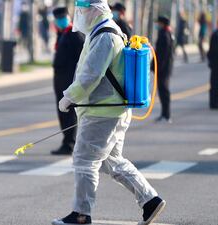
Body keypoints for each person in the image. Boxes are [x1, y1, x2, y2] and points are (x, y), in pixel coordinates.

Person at [53, 1, 166, 224]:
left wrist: (69, 97)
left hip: (103, 113)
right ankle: (150, 200)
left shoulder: (105, 35)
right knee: (111, 161)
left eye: (83, 10)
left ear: (94, 9)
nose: (81, 14)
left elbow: (91, 75)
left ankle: (81, 215)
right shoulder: (104, 31)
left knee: (84, 160)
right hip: (109, 110)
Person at [51, 7, 85, 155]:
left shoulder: (74, 34)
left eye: (62, 18)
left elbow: (83, 58)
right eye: (57, 19)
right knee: (62, 112)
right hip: (60, 78)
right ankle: (66, 141)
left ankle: (70, 143)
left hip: (69, 79)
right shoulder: (62, 34)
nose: (59, 21)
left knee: (69, 113)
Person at [154, 16, 175, 123]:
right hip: (165, 68)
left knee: (164, 91)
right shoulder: (167, 33)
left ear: (162, 23)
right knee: (162, 91)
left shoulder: (164, 35)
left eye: (158, 23)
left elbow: (163, 55)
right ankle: (164, 114)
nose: (157, 25)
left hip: (163, 69)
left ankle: (166, 115)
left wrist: (157, 67)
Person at [208, 28, 218, 109]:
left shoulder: (214, 34)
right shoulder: (215, 35)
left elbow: (210, 50)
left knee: (214, 84)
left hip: (214, 63)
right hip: (215, 63)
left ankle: (213, 103)